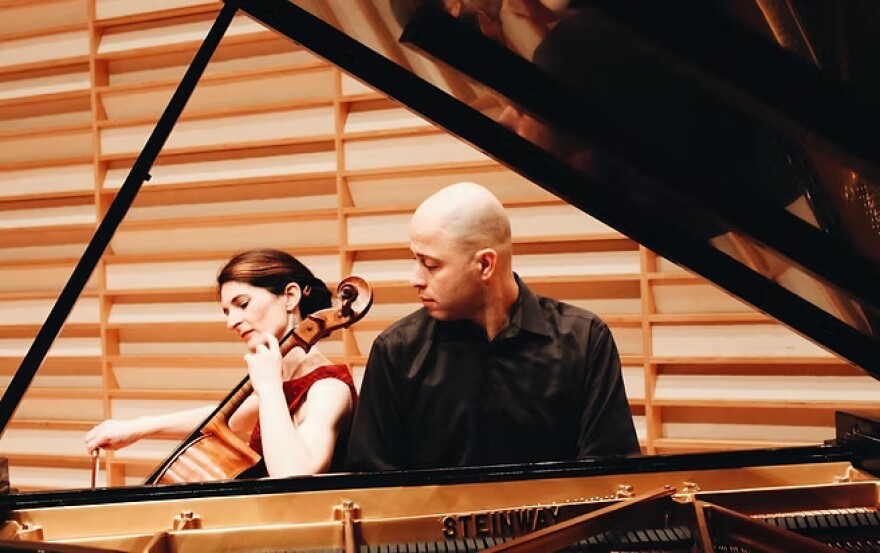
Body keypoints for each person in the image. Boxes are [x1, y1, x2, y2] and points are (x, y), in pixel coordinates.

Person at [346, 182, 639, 471]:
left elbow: (609, 476)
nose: (415, 279)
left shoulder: (585, 340)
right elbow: (373, 487)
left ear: (485, 265)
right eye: (415, 260)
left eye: (431, 265)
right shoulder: (396, 352)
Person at [85, 248, 357, 478]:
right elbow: (224, 418)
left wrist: (269, 387)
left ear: (290, 296)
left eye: (243, 304)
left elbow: (294, 476)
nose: (231, 322)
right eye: (227, 311)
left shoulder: (328, 388)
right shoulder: (284, 383)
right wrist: (138, 427)